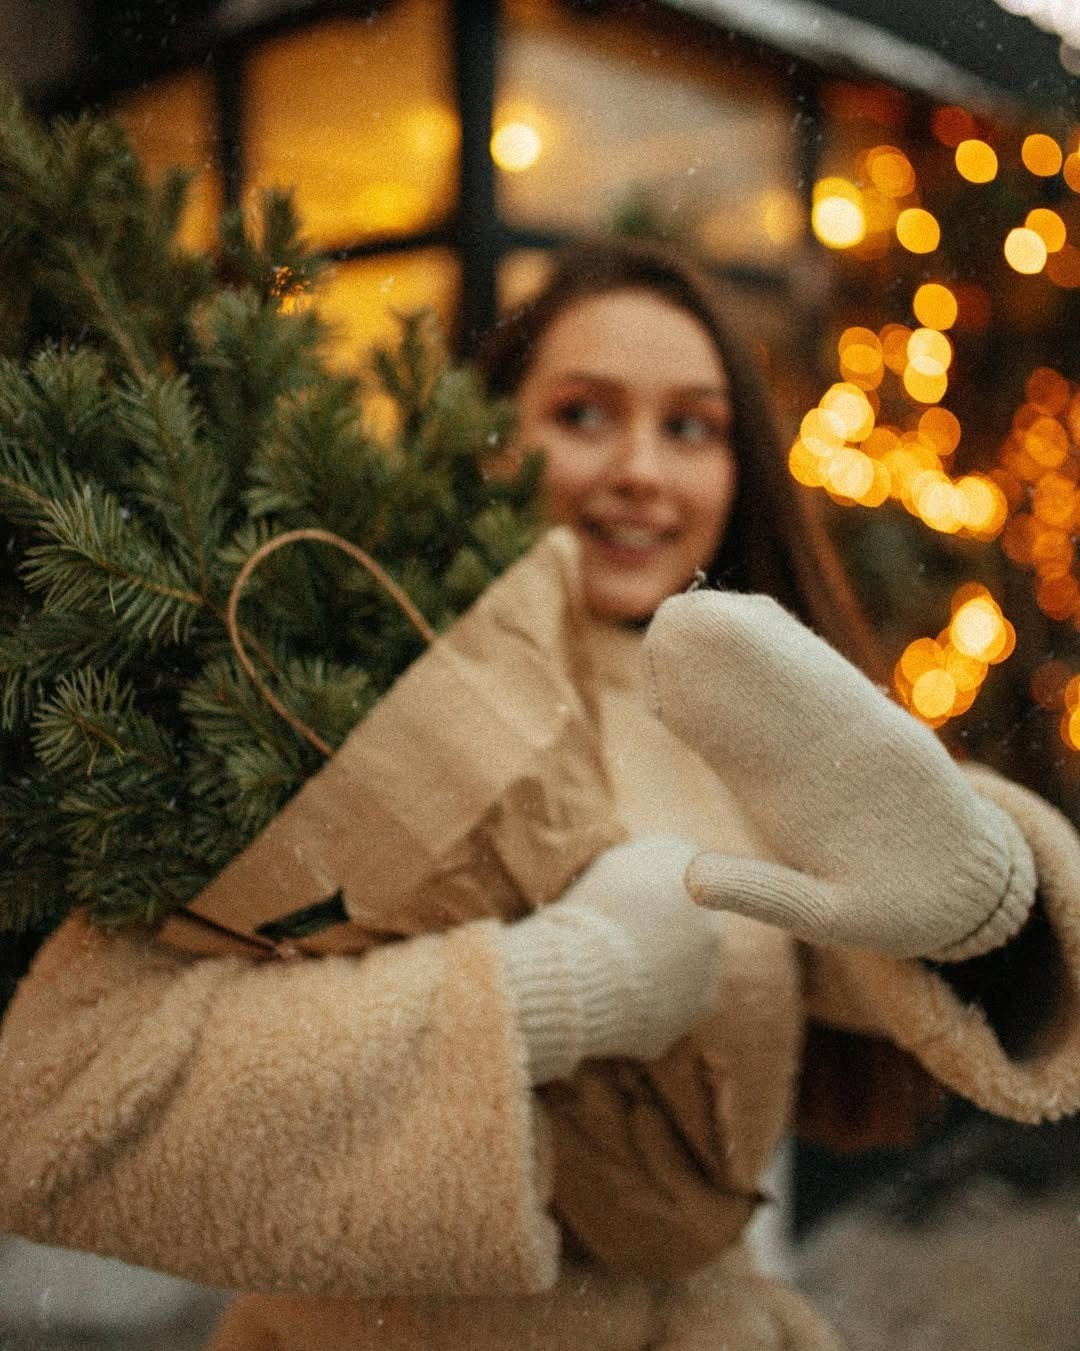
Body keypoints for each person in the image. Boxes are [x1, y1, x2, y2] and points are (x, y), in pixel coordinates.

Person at [0, 234, 1078, 1351]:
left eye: (692, 426)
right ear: (489, 434)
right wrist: (557, 985)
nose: (641, 472)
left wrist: (988, 900)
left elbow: (956, 953)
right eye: (582, 414)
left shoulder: (763, 716)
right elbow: (63, 1108)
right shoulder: (327, 683)